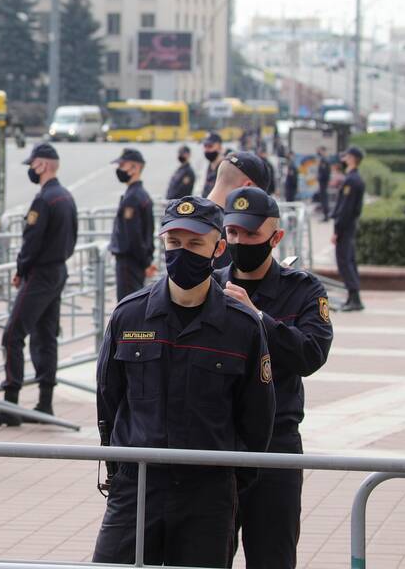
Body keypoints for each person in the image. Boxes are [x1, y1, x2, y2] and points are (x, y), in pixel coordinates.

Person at [92, 196, 275, 567]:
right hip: (138, 486)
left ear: (218, 248)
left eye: (195, 244)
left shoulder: (241, 326)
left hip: (206, 493)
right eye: (174, 243)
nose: (182, 253)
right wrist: (120, 470)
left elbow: (257, 417)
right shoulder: (131, 315)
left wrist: (231, 482)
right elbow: (109, 400)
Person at [217, 187, 333, 569]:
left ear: (275, 238)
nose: (240, 241)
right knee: (206, 556)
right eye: (232, 233)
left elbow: (310, 354)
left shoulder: (302, 290)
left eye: (251, 234)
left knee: (273, 557)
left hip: (275, 445)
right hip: (215, 443)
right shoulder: (208, 286)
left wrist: (258, 317)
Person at [0, 143, 77, 427]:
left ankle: (10, 404)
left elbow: (31, 241)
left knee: (12, 335)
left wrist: (21, 269)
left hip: (39, 274)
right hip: (58, 272)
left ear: (42, 165)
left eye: (32, 165)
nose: (31, 171)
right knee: (46, 336)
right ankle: (45, 402)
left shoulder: (44, 199)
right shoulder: (66, 197)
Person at [108, 148, 155, 301]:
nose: (119, 169)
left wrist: (145, 261)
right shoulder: (140, 194)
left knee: (128, 305)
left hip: (129, 261)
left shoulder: (133, 198)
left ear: (135, 168)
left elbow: (133, 236)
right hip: (136, 261)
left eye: (122, 165)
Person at [333, 146, 366, 311]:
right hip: (350, 226)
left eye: (346, 157)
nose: (344, 159)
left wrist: (337, 230)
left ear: (352, 158)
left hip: (345, 228)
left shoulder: (351, 180)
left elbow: (345, 209)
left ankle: (355, 299)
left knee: (344, 262)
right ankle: (353, 298)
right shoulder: (355, 178)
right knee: (349, 261)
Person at [201, 132, 224, 197]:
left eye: (210, 146)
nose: (207, 149)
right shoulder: (210, 166)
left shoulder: (225, 167)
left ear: (219, 147)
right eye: (205, 146)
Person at [317, 146, 332, 221]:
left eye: (320, 151)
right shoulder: (324, 160)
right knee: (323, 199)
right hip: (323, 182)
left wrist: (320, 178)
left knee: (324, 199)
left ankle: (326, 215)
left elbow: (325, 173)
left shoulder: (324, 160)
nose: (319, 152)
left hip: (323, 183)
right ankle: (325, 215)